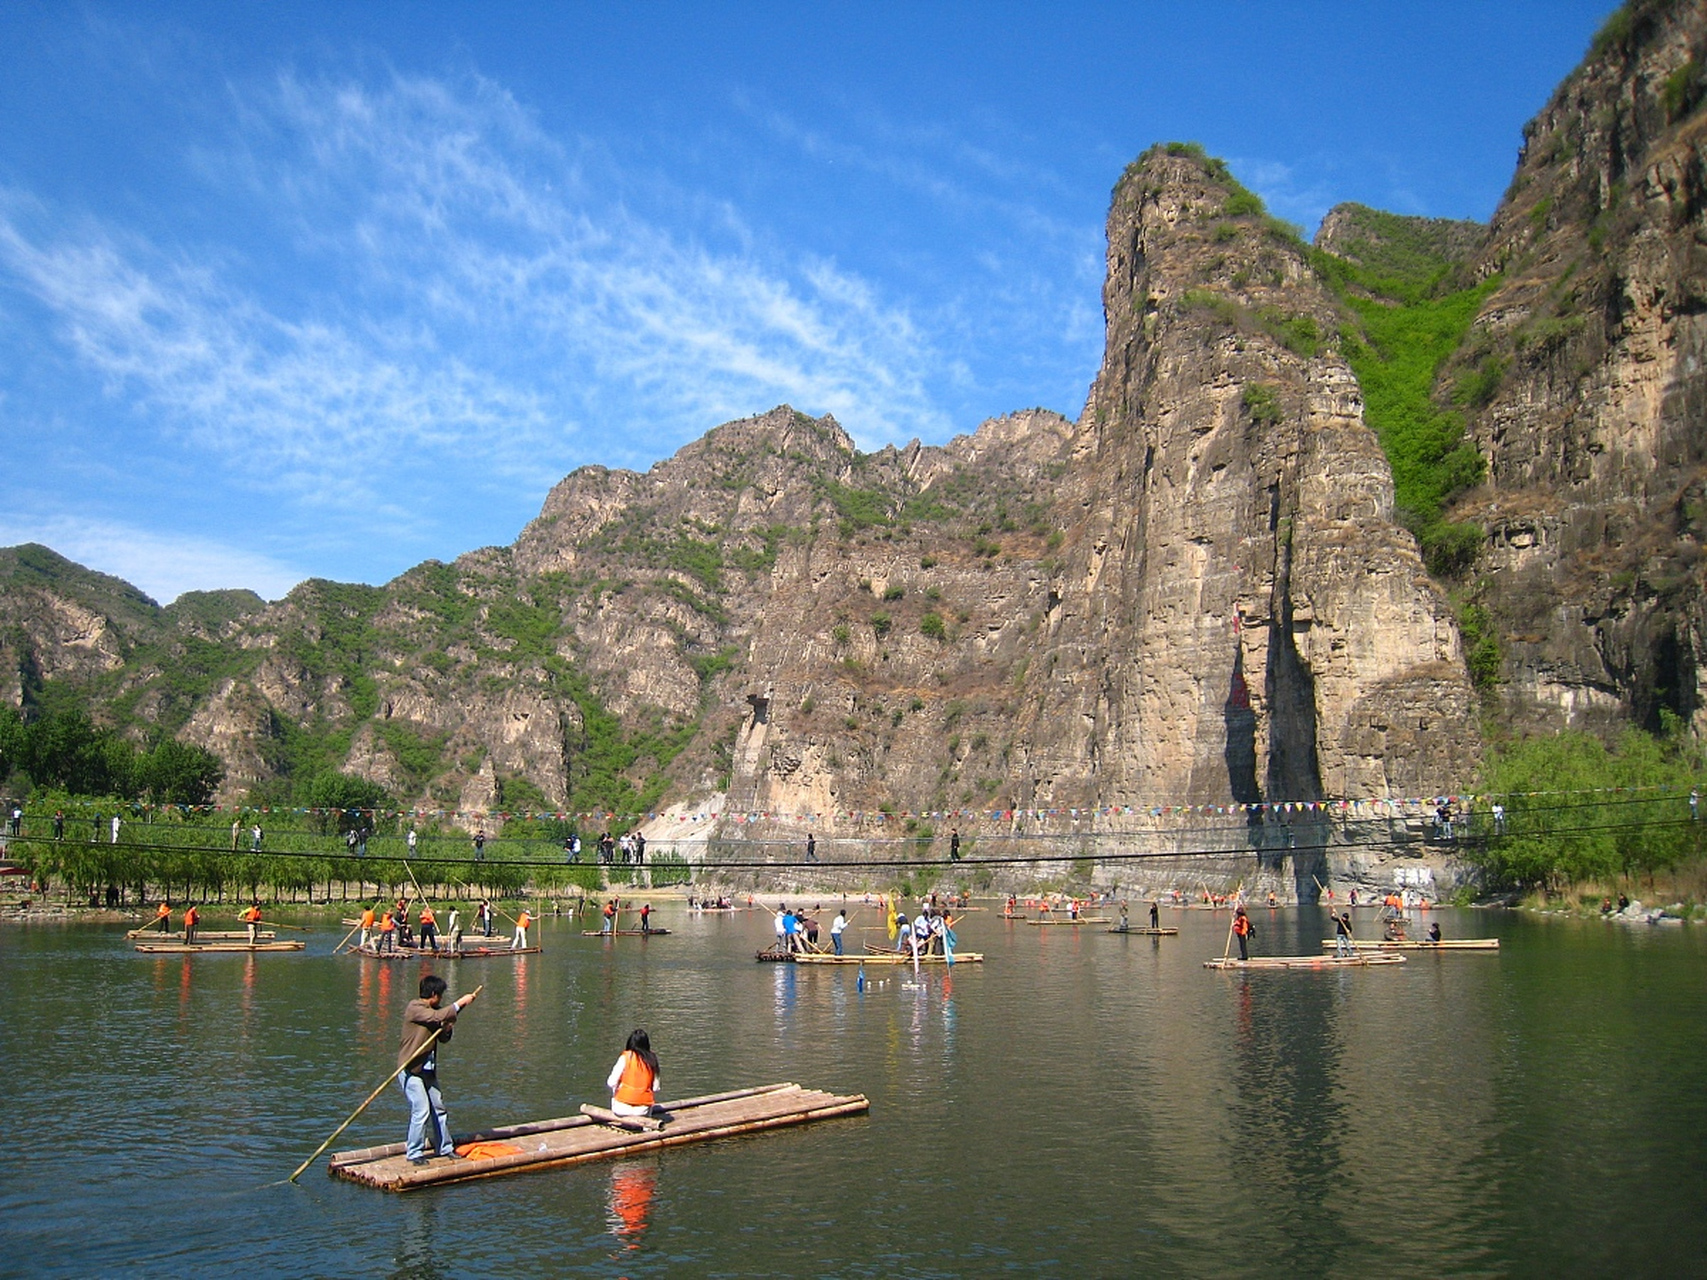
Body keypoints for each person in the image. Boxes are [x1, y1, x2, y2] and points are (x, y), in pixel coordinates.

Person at [397, 974, 479, 1165]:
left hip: (428, 1068)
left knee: (438, 1107)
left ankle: (445, 1147)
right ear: (433, 994)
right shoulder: (415, 1008)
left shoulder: (437, 1011)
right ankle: (414, 1152)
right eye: (440, 995)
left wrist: (448, 1027)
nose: (441, 999)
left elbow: (443, 1037)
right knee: (421, 1110)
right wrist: (460, 1004)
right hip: (410, 1068)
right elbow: (435, 1017)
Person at [607, 1029, 661, 1118]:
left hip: (621, 1109)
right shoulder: (652, 1059)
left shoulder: (625, 1057)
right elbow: (655, 1088)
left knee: (616, 1086)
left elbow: (611, 1082)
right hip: (642, 1111)